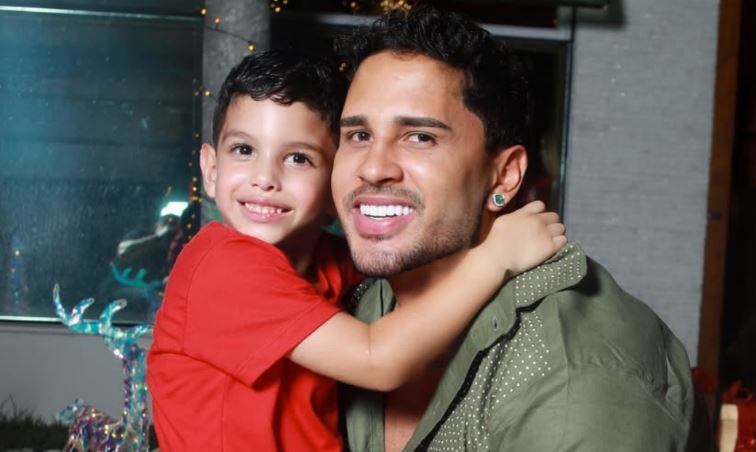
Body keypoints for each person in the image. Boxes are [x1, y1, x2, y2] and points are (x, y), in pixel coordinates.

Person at [147, 50, 566, 451]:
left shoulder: (327, 258)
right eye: (244, 150)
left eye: (298, 158)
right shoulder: (222, 268)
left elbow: (425, 263)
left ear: (336, 182)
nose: (265, 178)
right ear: (211, 168)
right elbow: (376, 359)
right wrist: (495, 257)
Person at [333, 6, 702, 451]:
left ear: (504, 176)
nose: (373, 168)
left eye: (420, 137)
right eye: (358, 135)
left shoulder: (570, 367)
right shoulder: (348, 301)